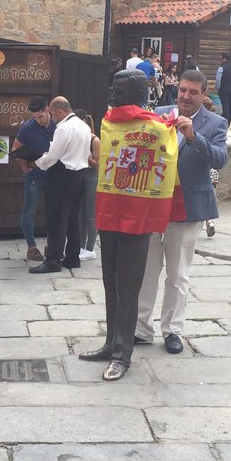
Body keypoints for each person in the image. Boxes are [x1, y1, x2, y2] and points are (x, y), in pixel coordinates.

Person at [79, 69, 178, 381]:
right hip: (111, 211)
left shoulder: (156, 127)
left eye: (119, 91)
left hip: (137, 216)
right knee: (110, 282)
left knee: (128, 287)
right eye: (113, 89)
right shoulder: (110, 122)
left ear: (137, 94)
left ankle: (123, 353)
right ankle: (111, 343)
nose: (113, 95)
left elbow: (166, 158)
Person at [136, 69, 228, 353]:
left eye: (193, 92)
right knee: (146, 270)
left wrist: (193, 137)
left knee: (177, 274)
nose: (186, 96)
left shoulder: (215, 123)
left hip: (187, 206)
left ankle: (173, 331)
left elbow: (220, 159)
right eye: (183, 90)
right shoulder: (158, 113)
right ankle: (141, 328)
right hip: (153, 203)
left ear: (203, 95)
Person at [25, 97, 91, 275]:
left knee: (56, 219)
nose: (52, 118)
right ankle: (73, 257)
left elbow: (52, 157)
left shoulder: (63, 128)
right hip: (80, 174)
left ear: (59, 111)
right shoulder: (84, 126)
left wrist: (35, 163)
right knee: (73, 218)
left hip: (62, 175)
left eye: (52, 114)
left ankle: (53, 260)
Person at [11, 96, 55, 262]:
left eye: (41, 116)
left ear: (48, 110)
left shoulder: (58, 125)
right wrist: (24, 166)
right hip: (35, 173)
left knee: (54, 210)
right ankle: (31, 246)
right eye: (34, 117)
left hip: (54, 174)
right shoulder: (28, 128)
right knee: (29, 209)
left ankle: (52, 244)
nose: (38, 120)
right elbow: (15, 148)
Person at [74, 109, 101, 262]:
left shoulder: (94, 140)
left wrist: (84, 153)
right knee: (81, 215)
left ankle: (90, 248)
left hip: (91, 177)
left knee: (91, 215)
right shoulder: (76, 139)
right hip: (80, 177)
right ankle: (81, 246)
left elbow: (97, 164)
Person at [215, 54, 231, 125]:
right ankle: (229, 121)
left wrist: (217, 88)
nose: (221, 61)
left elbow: (218, 80)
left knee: (224, 105)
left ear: (224, 58)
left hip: (223, 89)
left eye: (221, 59)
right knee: (229, 105)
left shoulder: (221, 68)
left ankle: (225, 121)